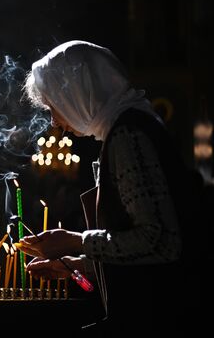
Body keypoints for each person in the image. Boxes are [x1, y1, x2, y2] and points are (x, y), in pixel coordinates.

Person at [18, 40, 205, 335]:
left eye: (54, 106)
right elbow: (141, 245)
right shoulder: (127, 126)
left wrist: (75, 241)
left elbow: (159, 241)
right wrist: (77, 264)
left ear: (77, 92)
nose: (55, 122)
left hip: (160, 317)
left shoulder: (128, 135)